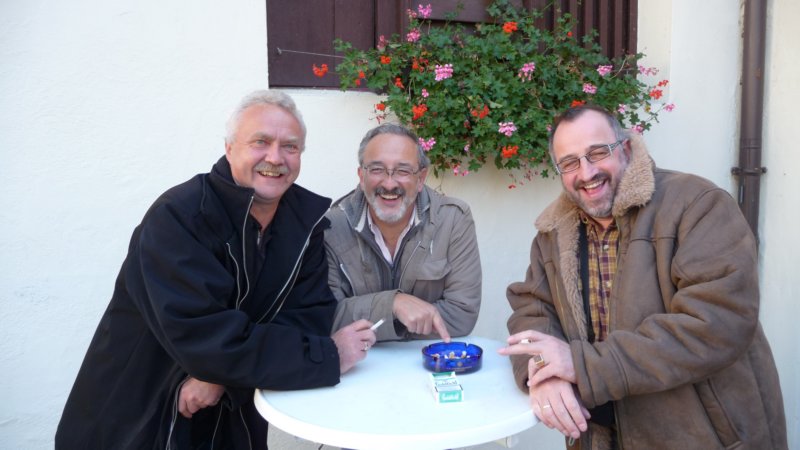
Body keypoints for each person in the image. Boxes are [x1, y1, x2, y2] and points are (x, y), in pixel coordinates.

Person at [56, 90, 376, 449]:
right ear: (229, 147)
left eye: (290, 146)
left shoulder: (306, 223)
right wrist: (328, 356)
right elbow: (203, 336)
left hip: (232, 416)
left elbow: (307, 315)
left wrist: (222, 378)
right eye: (260, 142)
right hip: (144, 413)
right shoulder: (179, 218)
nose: (275, 157)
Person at [498, 104, 787, 449]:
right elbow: (533, 311)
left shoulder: (698, 204)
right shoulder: (553, 232)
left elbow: (716, 323)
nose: (587, 172)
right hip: (600, 436)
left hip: (703, 436)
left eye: (598, 153)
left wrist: (580, 365)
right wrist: (543, 371)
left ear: (626, 148)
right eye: (570, 162)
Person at [325, 123, 482, 342]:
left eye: (403, 171)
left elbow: (462, 315)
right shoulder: (331, 227)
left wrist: (375, 317)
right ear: (361, 176)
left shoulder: (453, 219)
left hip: (427, 358)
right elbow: (327, 316)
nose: (389, 184)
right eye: (377, 169)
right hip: (360, 360)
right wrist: (393, 305)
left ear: (421, 178)